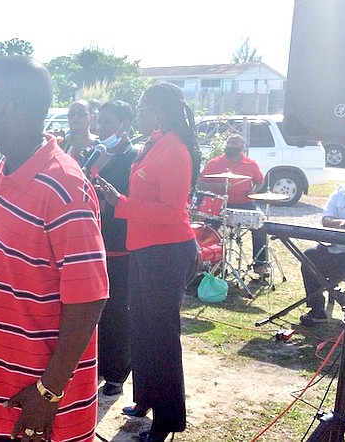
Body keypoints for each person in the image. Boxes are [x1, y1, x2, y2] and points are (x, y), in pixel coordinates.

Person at [0, 56, 108, 442]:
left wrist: (49, 393)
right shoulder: (3, 170)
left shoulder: (64, 187)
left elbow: (90, 299)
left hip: (32, 399)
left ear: (7, 106)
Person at [96, 82, 200, 442]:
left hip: (167, 253)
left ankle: (167, 420)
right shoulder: (154, 144)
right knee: (139, 327)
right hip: (143, 248)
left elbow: (172, 212)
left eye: (141, 108)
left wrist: (121, 205)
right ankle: (145, 399)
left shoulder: (175, 151)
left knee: (161, 336)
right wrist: (117, 198)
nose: (137, 115)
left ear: (158, 111)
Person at [85, 100, 138, 396]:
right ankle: (99, 366)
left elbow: (132, 200)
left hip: (121, 245)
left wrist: (108, 204)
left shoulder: (134, 158)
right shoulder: (96, 154)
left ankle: (118, 371)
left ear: (124, 125)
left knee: (118, 311)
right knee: (96, 311)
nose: (101, 128)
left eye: (108, 122)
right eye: (99, 122)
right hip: (93, 243)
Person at [198, 134, 268, 274]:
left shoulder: (251, 164)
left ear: (241, 147)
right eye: (228, 143)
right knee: (208, 229)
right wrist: (219, 187)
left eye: (234, 143)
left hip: (245, 203)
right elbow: (200, 183)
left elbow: (260, 181)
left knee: (261, 225)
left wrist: (255, 189)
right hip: (220, 203)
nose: (230, 145)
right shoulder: (214, 163)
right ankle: (207, 263)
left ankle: (259, 265)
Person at [299, 184, 345, 326]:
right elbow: (326, 219)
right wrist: (342, 224)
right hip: (334, 251)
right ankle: (317, 310)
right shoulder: (340, 192)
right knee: (309, 257)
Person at [60, 99, 99, 166]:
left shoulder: (99, 145)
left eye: (81, 113)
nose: (75, 117)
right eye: (72, 114)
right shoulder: (59, 144)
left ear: (91, 118)